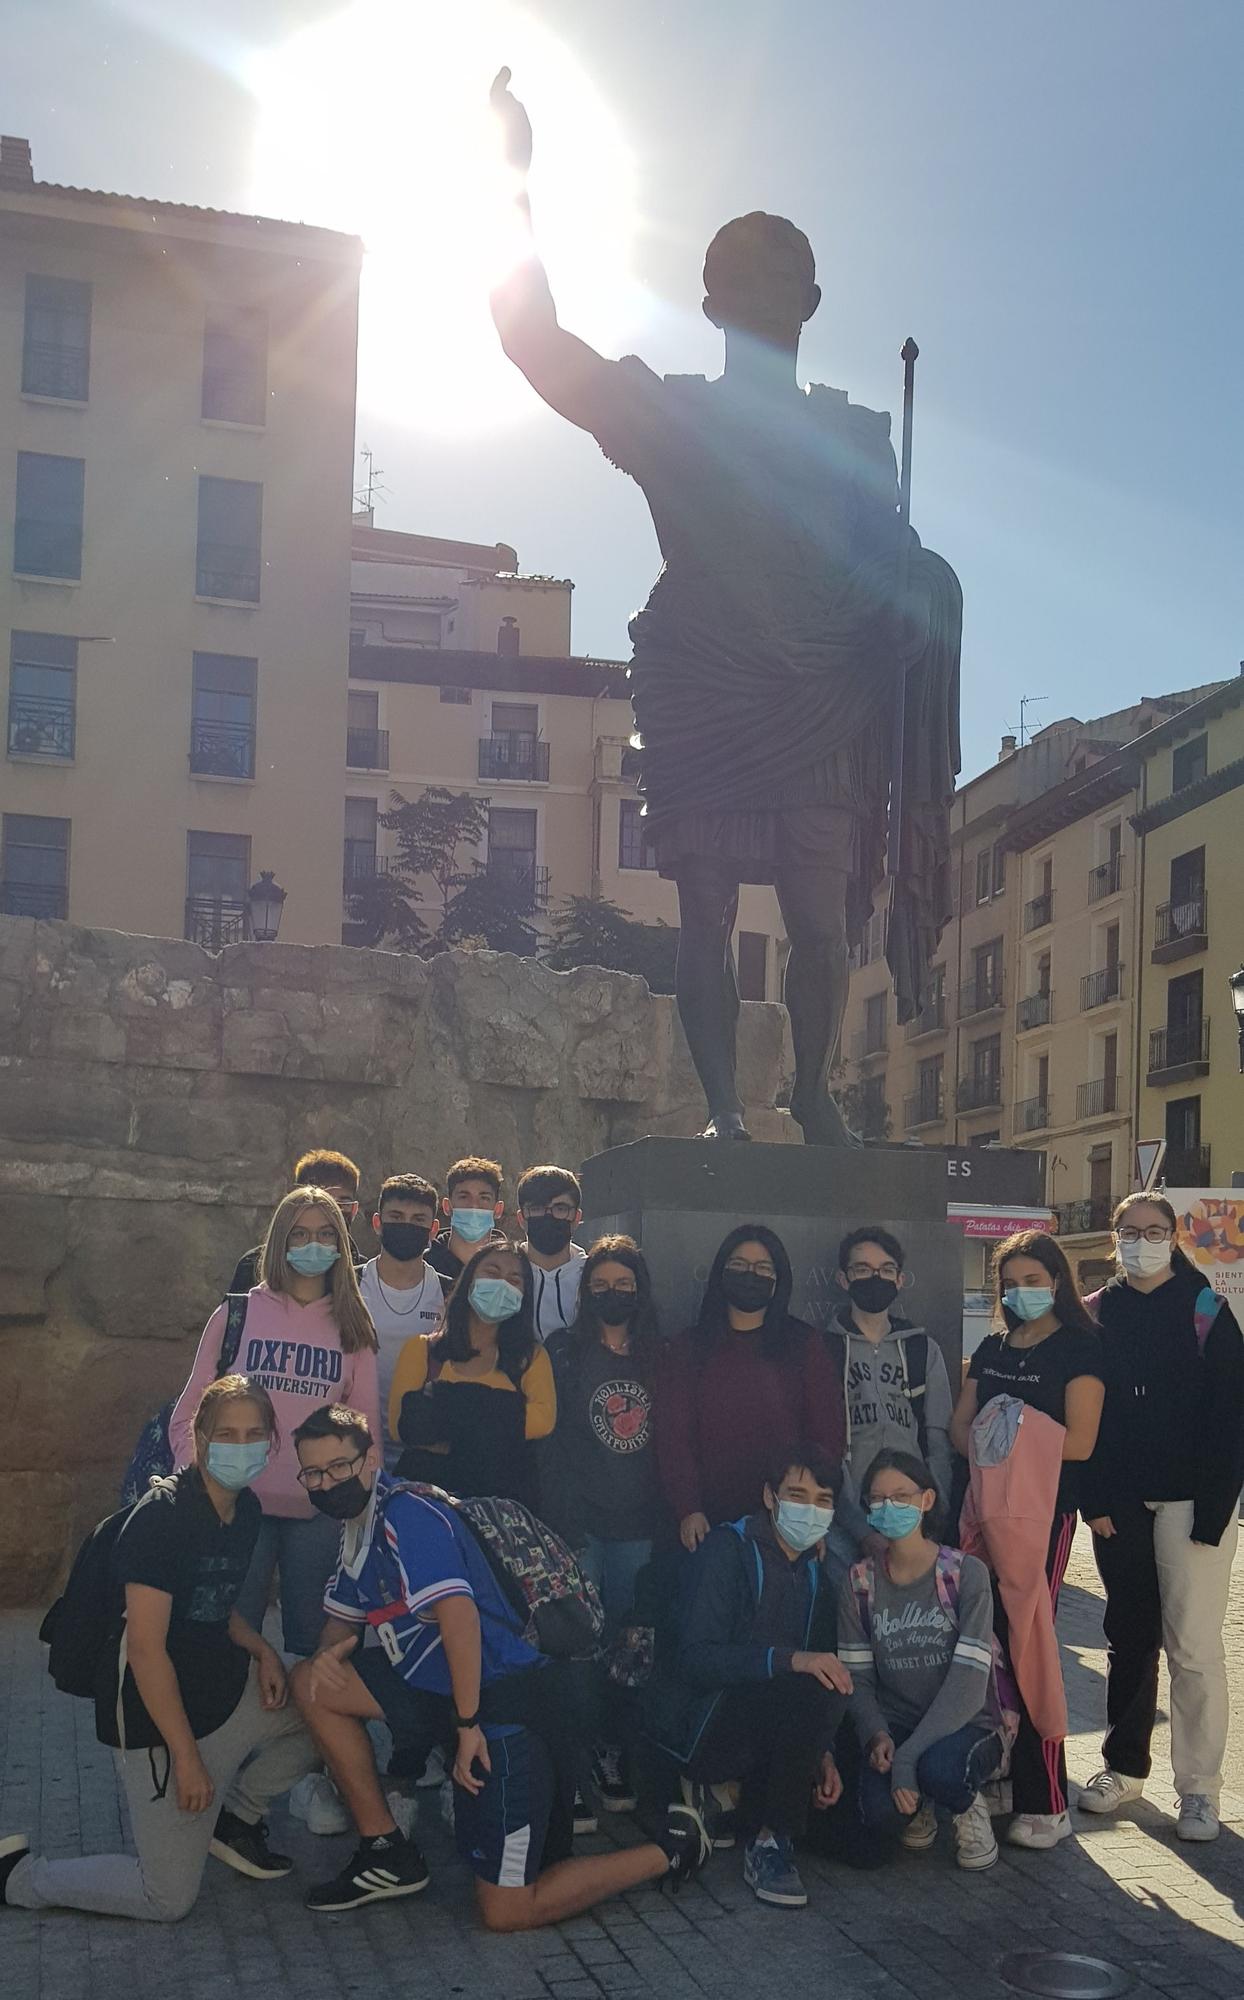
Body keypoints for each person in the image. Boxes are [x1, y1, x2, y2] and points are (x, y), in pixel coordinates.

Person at [489, 70, 961, 1143]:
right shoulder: (672, 417)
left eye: (778, 275)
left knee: (819, 919)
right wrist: (510, 180)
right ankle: (719, 1111)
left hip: (824, 693)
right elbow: (535, 342)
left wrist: (916, 597)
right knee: (702, 908)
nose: (758, 293)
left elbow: (890, 558)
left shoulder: (852, 436)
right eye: (737, 278)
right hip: (704, 678)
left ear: (809, 301)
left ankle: (810, 1089)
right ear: (708, 304)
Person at [287, 1404, 711, 1922]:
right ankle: (385, 1851)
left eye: (339, 1467)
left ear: (370, 1458)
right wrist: (330, 1657)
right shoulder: (360, 1527)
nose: (327, 1482)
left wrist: (466, 1726)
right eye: (314, 1473)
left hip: (508, 1706)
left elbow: (459, 1617)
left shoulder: (405, 1514)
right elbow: (341, 1623)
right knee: (311, 1681)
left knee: (506, 1911)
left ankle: (670, 1849)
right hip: (449, 1694)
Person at [1, 1378, 318, 1921]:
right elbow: (146, 1651)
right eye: (225, 1434)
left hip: (221, 1690)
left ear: (271, 1443)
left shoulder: (245, 1511)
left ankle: (234, 1819)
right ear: (197, 1438)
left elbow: (214, 1603)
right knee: (166, 1898)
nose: (239, 1447)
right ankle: (22, 1877)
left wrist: (264, 1651)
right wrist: (188, 1761)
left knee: (322, 1718)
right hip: (155, 1717)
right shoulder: (161, 1520)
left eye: (252, 1435)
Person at [1079, 1193, 1244, 1843]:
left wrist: (1213, 1512)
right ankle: (1123, 1769)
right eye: (1129, 1230)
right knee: (1129, 1636)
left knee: (1195, 1647)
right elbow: (1082, 1413)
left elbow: (1233, 1413)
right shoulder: (1096, 1314)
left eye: (1153, 1231)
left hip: (1191, 1503)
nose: (1140, 1241)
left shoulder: (1206, 1308)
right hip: (1120, 1506)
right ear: (1113, 1237)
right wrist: (1095, 1502)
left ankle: (1199, 1789)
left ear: (1174, 1237)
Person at [172, 1188, 382, 1662]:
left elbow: (366, 1432)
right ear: (280, 1242)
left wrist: (366, 1514)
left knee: (319, 1648)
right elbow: (189, 1411)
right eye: (301, 1234)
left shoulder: (353, 1325)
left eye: (327, 1234)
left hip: (321, 1510)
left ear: (341, 1244)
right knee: (227, 1639)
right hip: (236, 1503)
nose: (314, 1245)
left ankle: (306, 1733)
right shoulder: (237, 1313)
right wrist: (199, 1486)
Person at [950, 1229, 1103, 1850]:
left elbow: (1081, 1442)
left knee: (1033, 1643)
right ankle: (1003, 1779)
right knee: (989, 1645)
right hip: (983, 1515)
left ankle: (1049, 1800)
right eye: (1011, 1283)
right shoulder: (989, 1348)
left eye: (1034, 1280)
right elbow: (962, 1428)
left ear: (1058, 1282)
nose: (1022, 1292)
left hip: (1043, 1519)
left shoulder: (1080, 1349)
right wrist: (997, 1430)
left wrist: (1008, 1430)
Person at [648, 1447, 850, 1908]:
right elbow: (696, 1659)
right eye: (796, 1495)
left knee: (860, 1841)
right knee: (809, 1677)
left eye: (822, 1500)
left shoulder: (816, 1571)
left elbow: (821, 1664)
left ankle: (737, 1809)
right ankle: (769, 1841)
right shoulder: (728, 1550)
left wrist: (824, 1753)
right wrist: (786, 1660)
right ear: (769, 1496)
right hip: (706, 1723)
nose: (809, 1509)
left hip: (775, 1724)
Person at [837, 1449, 1008, 1873]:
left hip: (968, 1724)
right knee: (880, 1815)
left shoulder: (965, 1573)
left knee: (941, 1769)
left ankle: (966, 1805)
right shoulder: (859, 1582)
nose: (888, 1507)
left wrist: (909, 1758)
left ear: (927, 1500)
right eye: (877, 1500)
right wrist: (876, 1735)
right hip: (898, 1723)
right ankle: (921, 1803)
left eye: (901, 1496)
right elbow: (858, 1677)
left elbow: (969, 1683)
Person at [543, 1235, 664, 1811]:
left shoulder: (660, 1357)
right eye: (601, 1286)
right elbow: (550, 1443)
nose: (613, 1294)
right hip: (581, 1525)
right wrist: (563, 1518)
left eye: (624, 1285)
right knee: (577, 1643)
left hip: (640, 1525)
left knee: (630, 1644)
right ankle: (570, 1752)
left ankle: (613, 1746)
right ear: (585, 1292)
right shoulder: (563, 1351)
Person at [657, 1223, 845, 1550]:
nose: (750, 1274)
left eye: (762, 1268)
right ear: (720, 1274)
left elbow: (826, 1435)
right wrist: (689, 1507)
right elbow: (674, 1436)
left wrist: (812, 1513)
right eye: (739, 1266)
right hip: (708, 1521)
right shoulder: (690, 1347)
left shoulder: (804, 1344)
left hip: (786, 1520)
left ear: (777, 1280)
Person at [823, 1226, 954, 1574]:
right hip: (843, 1525)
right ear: (843, 1278)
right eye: (862, 1269)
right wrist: (859, 1528)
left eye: (885, 1270)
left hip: (913, 1522)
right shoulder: (824, 1351)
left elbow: (937, 1440)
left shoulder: (922, 1350)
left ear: (899, 1279)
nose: (874, 1277)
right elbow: (821, 1446)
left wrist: (935, 1515)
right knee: (852, 1621)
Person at [389, 1240, 555, 1506]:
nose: (503, 1283)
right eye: (492, 1272)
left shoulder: (532, 1358)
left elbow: (543, 1422)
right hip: (428, 1508)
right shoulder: (421, 1350)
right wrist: (499, 1418)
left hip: (500, 1513)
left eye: (515, 1279)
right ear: (469, 1280)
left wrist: (442, 1412)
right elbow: (402, 1427)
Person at [359, 1174, 447, 1472]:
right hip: (355, 1450)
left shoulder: (450, 1294)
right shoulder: (348, 1283)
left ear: (433, 1229)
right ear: (377, 1222)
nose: (407, 1225)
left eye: (418, 1219)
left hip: (423, 1456)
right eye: (396, 1216)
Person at [229, 1149, 364, 1295]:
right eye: (324, 1200)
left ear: (354, 1209)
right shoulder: (255, 1264)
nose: (334, 1210)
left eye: (343, 1202)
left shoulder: (364, 1273)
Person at [518, 1164, 587, 1342]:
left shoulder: (593, 1276)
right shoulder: (503, 1274)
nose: (549, 1216)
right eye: (537, 1208)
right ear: (521, 1218)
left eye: (560, 1208)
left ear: (577, 1217)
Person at [426, 1156, 506, 1283]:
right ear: (447, 1206)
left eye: (484, 1198)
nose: (474, 1205)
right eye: (464, 1197)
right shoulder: (424, 1266)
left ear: (498, 1209)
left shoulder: (512, 1268)